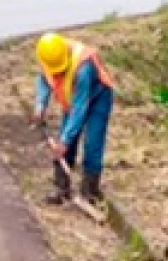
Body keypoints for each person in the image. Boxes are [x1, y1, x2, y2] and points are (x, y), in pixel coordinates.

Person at [30, 32, 115, 205]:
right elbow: (45, 79)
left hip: (98, 97)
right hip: (72, 97)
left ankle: (90, 191)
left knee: (92, 141)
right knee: (65, 139)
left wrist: (65, 141)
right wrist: (40, 105)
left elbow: (79, 108)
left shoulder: (83, 68)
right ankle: (61, 188)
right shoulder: (49, 57)